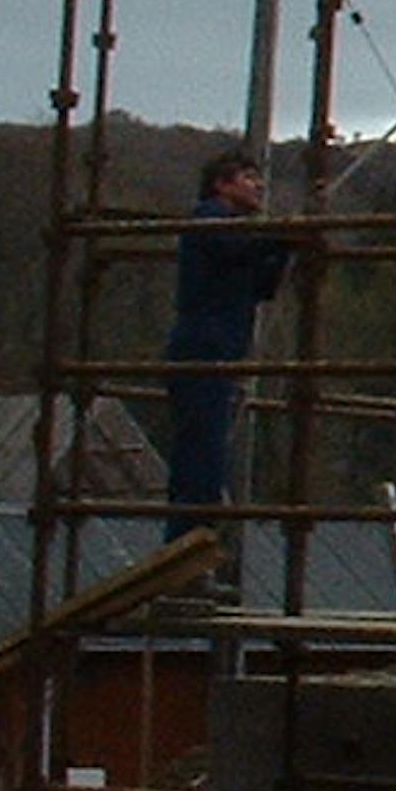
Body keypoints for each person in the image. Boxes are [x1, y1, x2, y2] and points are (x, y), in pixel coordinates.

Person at [162, 146, 293, 554]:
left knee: (206, 447)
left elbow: (262, 284)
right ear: (221, 184)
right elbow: (237, 250)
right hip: (204, 345)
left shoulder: (232, 233)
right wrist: (281, 235)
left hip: (220, 346)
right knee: (201, 451)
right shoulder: (209, 220)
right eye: (247, 178)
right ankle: (188, 543)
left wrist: (282, 247)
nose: (258, 185)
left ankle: (192, 543)